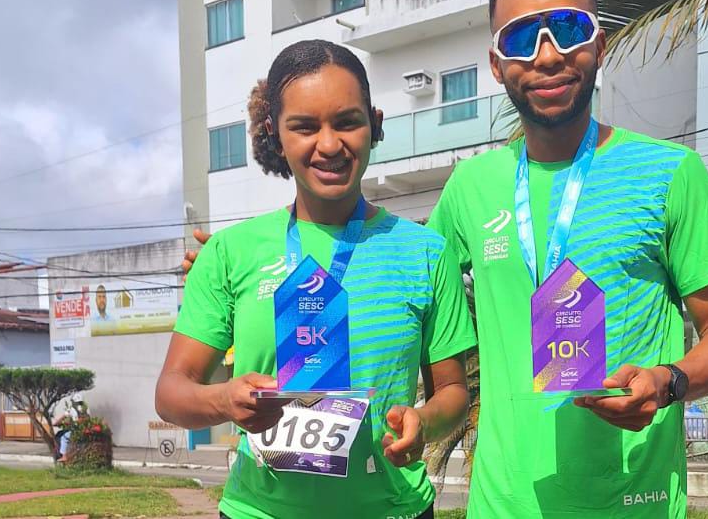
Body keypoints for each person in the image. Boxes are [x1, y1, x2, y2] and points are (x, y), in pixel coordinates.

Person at [183, 0, 708, 518]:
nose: (547, 55)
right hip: (498, 505)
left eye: (570, 28)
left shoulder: (671, 173)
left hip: (634, 503)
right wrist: (241, 264)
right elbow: (390, 270)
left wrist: (669, 381)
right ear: (496, 61)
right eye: (522, 38)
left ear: (599, 44)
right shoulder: (470, 188)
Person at [157, 40, 476, 519]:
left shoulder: (426, 251)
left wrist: (422, 421)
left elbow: (452, 392)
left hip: (394, 510)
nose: (329, 145)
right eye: (304, 127)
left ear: (376, 124)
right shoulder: (229, 253)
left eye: (347, 121)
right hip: (259, 511)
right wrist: (224, 398)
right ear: (276, 134)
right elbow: (171, 392)